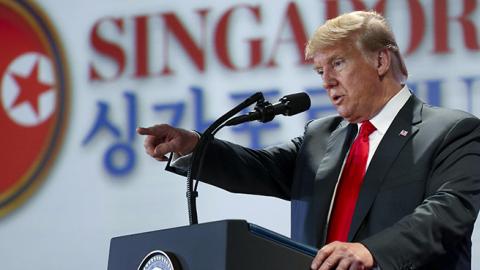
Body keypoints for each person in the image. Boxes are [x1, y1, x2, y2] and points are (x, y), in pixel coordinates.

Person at [137, 11, 480, 270]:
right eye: (320, 72)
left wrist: (370, 250)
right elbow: (259, 169)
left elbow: (447, 213)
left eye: (338, 63)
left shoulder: (451, 131)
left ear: (380, 60)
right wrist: (194, 146)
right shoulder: (321, 136)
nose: (327, 81)